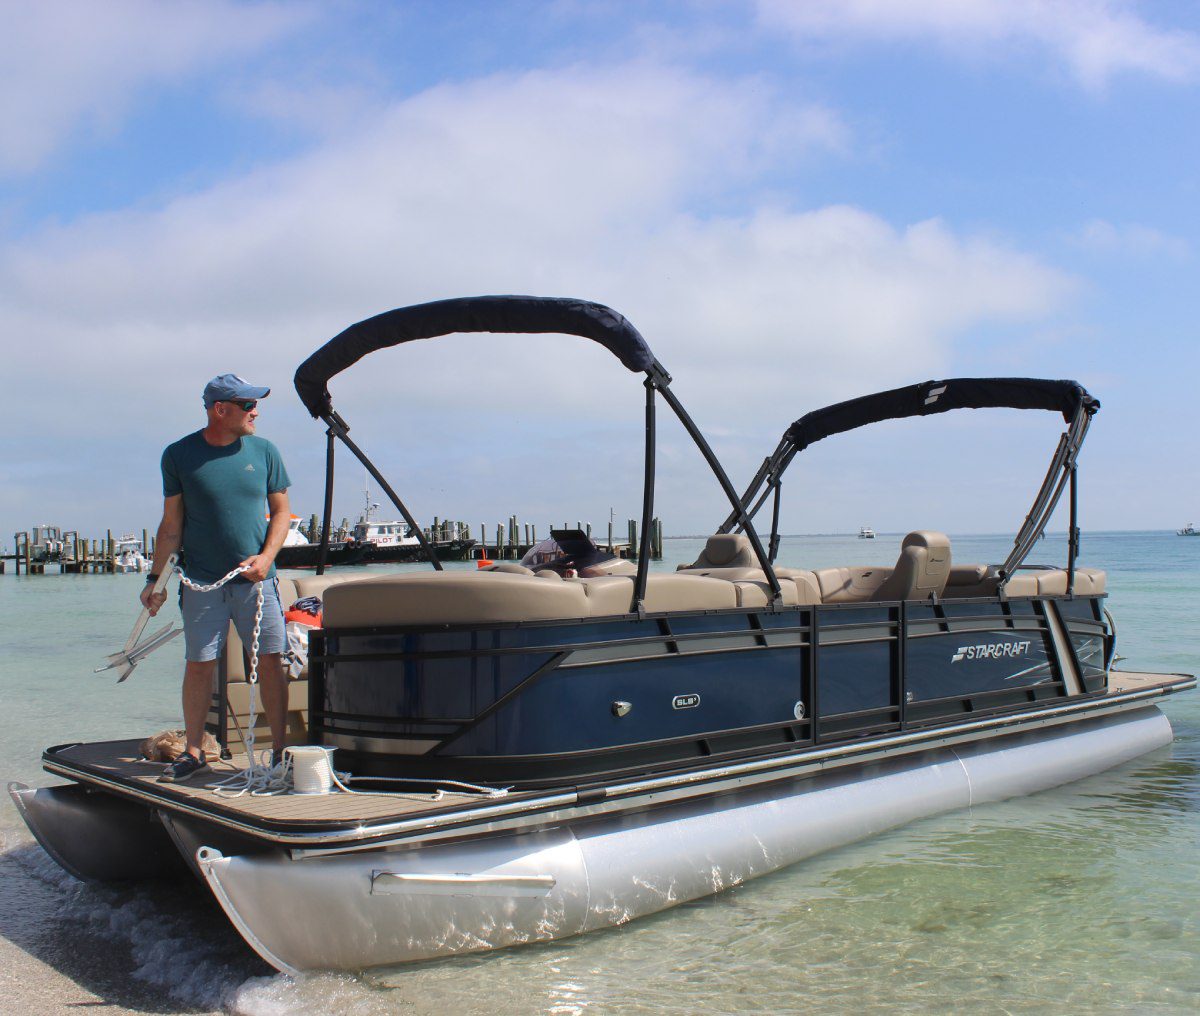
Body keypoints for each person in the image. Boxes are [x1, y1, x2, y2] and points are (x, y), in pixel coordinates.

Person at [141, 374, 292, 783]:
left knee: (272, 660)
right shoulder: (178, 455)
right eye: (248, 405)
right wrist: (156, 580)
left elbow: (281, 512)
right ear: (220, 410)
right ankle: (194, 752)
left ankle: (280, 751)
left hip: (257, 581)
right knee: (198, 663)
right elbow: (171, 524)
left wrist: (266, 557)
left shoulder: (265, 451)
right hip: (200, 580)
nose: (256, 411)